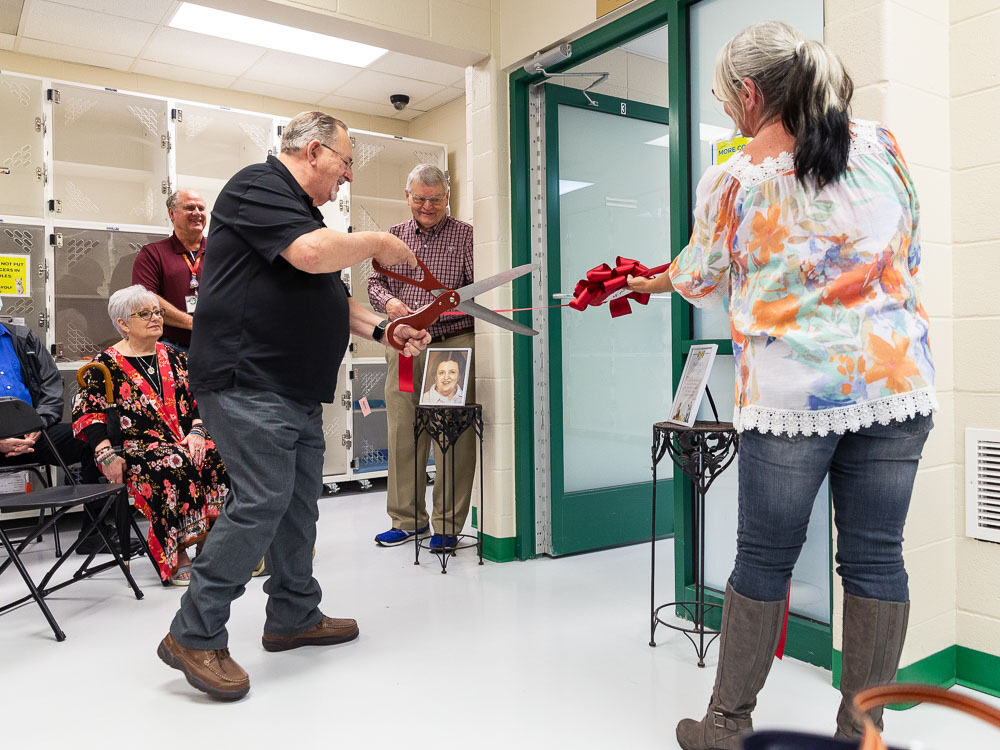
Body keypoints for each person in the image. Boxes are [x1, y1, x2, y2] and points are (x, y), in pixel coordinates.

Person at [627, 22, 936, 749]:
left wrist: (657, 278)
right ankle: (865, 732)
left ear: (749, 93)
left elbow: (701, 281)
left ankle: (727, 727)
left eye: (724, 97)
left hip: (793, 395)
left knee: (765, 557)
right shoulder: (882, 144)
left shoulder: (734, 176)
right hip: (896, 383)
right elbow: (910, 242)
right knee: (876, 554)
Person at [159, 111, 429, 702]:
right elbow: (311, 256)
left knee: (297, 504)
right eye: (346, 162)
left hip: (292, 388)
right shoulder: (258, 186)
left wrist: (389, 329)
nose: (347, 177)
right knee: (262, 501)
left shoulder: (303, 216)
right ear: (313, 151)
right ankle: (193, 632)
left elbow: (330, 297)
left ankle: (292, 614)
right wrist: (382, 241)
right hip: (246, 380)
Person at [72, 285, 229, 585]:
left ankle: (210, 543)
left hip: (184, 439)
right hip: (138, 448)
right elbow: (88, 414)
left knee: (218, 453)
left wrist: (197, 431)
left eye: (158, 312)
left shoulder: (175, 356)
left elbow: (201, 400)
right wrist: (106, 456)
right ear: (123, 323)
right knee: (173, 463)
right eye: (145, 313)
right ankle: (179, 552)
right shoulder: (103, 365)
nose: (156, 318)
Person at [369, 164, 477, 551]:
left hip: (450, 342)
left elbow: (475, 295)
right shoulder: (393, 237)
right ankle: (407, 520)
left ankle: (447, 525)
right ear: (407, 195)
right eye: (419, 198)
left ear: (447, 197)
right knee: (401, 429)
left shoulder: (466, 236)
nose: (427, 206)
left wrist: (439, 316)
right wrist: (391, 302)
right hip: (402, 346)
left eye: (435, 199)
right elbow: (374, 282)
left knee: (450, 433)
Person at [0, 301, 114, 554]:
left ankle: (94, 533)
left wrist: (38, 425)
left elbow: (51, 385)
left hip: (34, 433)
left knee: (90, 440)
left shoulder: (22, 338)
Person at [131, 189, 208, 351]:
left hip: (216, 345)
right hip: (172, 347)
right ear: (171, 213)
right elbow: (145, 298)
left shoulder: (220, 251)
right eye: (190, 208)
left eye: (201, 208)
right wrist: (192, 323)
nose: (197, 213)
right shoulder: (153, 253)